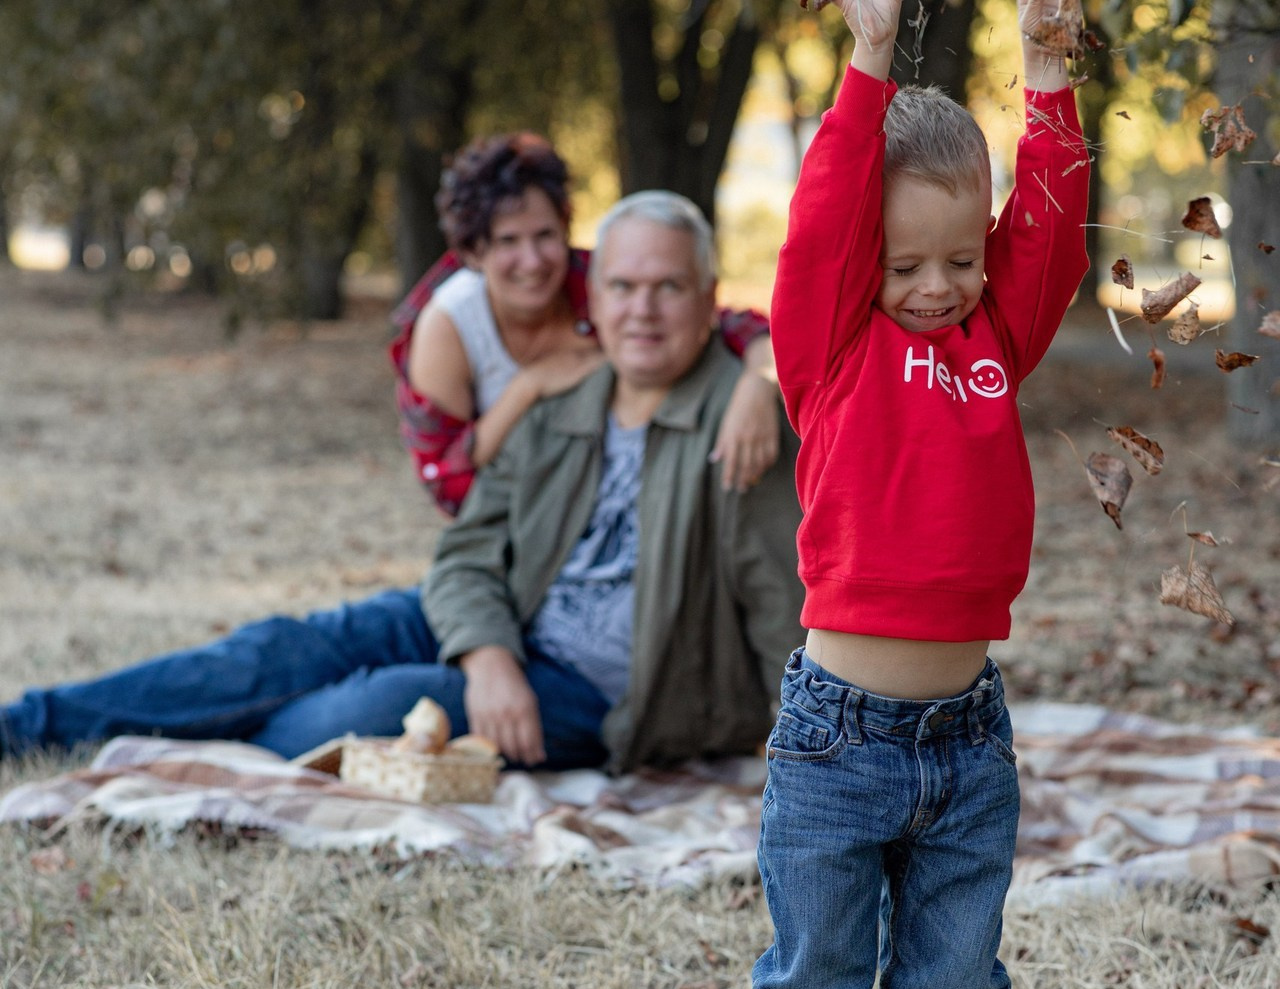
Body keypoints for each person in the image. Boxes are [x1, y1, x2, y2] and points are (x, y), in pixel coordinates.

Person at [0, 193, 804, 775]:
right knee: (284, 648)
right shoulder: (568, 403)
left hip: (601, 694)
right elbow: (466, 554)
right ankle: (29, 724)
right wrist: (489, 657)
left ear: (708, 297)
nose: (644, 310)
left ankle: (188, 748)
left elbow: (785, 614)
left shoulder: (744, 424)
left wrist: (806, 761)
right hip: (498, 624)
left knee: (363, 710)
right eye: (624, 287)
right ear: (594, 296)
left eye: (668, 287)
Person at [721, 0, 1089, 989]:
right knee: (815, 969)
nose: (935, 288)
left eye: (959, 259)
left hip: (966, 733)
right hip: (836, 736)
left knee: (953, 973)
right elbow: (824, 220)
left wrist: (1045, 74)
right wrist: (868, 56)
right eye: (904, 265)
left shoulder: (997, 334)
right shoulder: (827, 348)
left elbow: (1048, 231)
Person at [389, 132, 781, 514]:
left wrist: (759, 383)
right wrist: (528, 388)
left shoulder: (600, 282)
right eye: (508, 241)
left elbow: (719, 320)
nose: (533, 261)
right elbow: (447, 484)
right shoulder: (450, 324)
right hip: (514, 516)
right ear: (474, 252)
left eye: (546, 236)